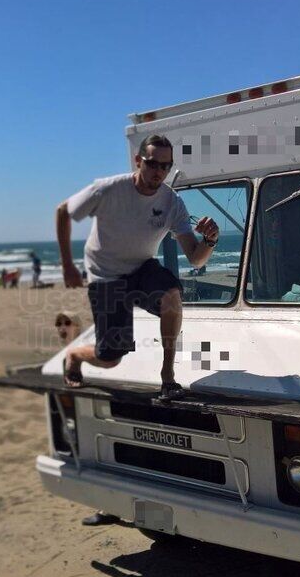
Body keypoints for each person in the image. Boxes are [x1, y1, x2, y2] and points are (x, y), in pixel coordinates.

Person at [56, 133, 219, 399]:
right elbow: (63, 211)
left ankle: (168, 377)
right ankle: (74, 355)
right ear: (138, 161)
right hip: (106, 275)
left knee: (172, 296)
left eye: (165, 166)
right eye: (152, 163)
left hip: (141, 268)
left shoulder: (172, 202)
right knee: (110, 359)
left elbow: (195, 259)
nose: (159, 171)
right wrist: (67, 266)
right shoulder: (108, 189)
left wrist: (210, 240)